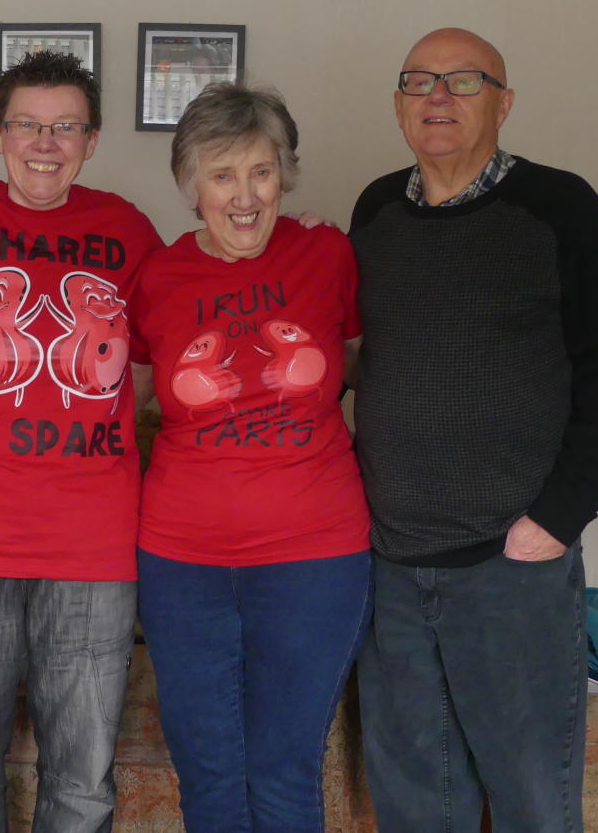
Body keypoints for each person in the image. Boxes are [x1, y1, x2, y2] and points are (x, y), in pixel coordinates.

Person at [350, 27, 598, 832]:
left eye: (464, 81)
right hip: (392, 565)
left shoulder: (559, 207)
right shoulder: (375, 210)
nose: (438, 98)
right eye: (419, 82)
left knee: (532, 803)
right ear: (398, 105)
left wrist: (559, 516)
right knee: (415, 802)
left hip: (511, 566)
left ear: (505, 103)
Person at [0, 50, 163, 832]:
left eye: (66, 127)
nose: (45, 144)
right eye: (27, 125)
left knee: (82, 785)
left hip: (92, 543)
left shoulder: (127, 229)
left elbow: (166, 339)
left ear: (92, 139)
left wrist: (293, 234)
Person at [130, 82, 371, 832]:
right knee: (206, 773)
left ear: (284, 176)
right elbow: (131, 400)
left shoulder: (328, 253)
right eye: (222, 174)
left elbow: (357, 367)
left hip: (315, 557)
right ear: (191, 186)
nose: (244, 195)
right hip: (181, 561)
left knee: (283, 771)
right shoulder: (157, 278)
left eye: (261, 171)